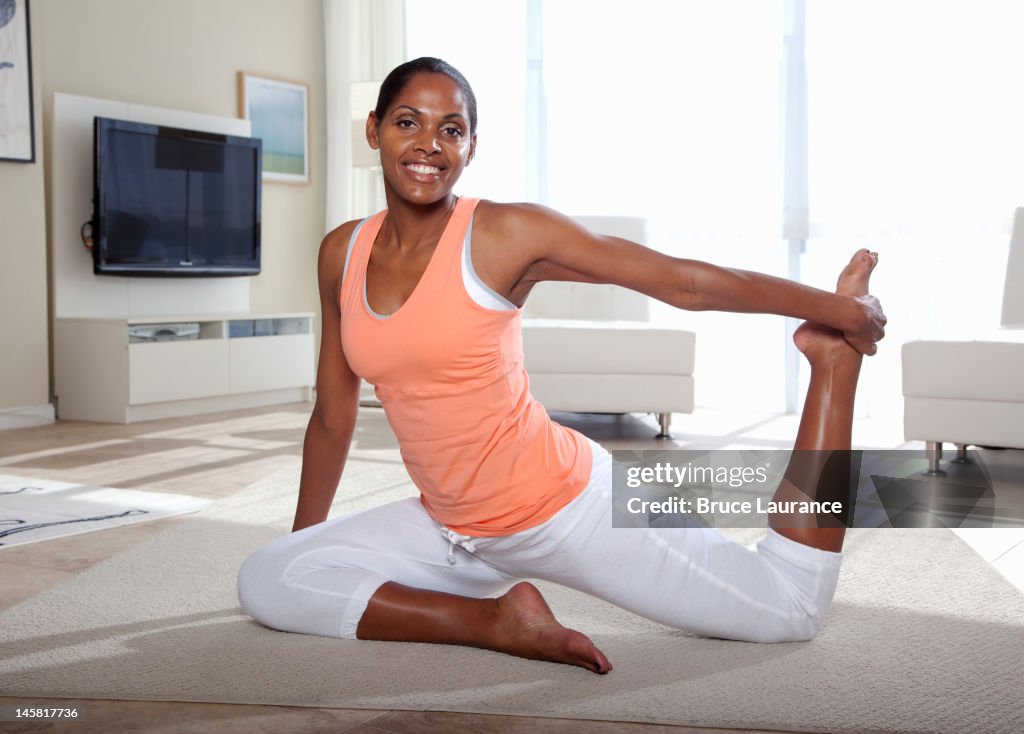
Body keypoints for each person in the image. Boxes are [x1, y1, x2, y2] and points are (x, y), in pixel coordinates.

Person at [237, 57, 886, 674]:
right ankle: (496, 621)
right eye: (409, 122)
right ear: (374, 130)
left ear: (471, 146)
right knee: (269, 576)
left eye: (451, 129)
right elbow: (332, 415)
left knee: (790, 606)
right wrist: (307, 552)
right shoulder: (341, 253)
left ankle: (832, 366)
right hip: (449, 524)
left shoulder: (501, 235)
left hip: (565, 507)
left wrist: (836, 310)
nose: (430, 144)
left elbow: (682, 283)